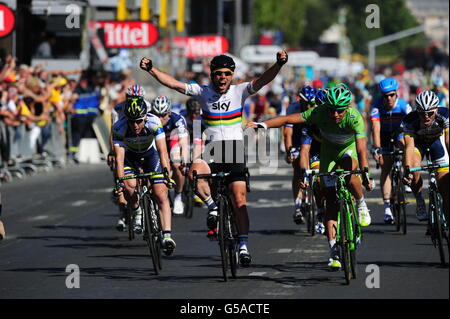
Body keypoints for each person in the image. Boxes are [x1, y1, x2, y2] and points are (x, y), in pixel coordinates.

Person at [139, 51, 289, 267]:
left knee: (239, 200)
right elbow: (174, 84)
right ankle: (213, 207)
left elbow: (264, 80)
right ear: (212, 75)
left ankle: (244, 245)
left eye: (227, 74)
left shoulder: (240, 91)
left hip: (234, 150)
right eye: (218, 74)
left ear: (232, 75)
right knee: (193, 173)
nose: (222, 78)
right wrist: (152, 69)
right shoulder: (202, 92)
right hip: (212, 150)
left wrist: (278, 64)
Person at [247, 85, 373, 270]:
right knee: (329, 202)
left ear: (347, 108)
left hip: (348, 151)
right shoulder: (320, 112)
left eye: (340, 111)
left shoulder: (355, 118)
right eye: (332, 110)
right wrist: (263, 124)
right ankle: (333, 251)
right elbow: (289, 119)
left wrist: (366, 173)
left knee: (351, 171)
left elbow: (362, 149)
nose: (335, 114)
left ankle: (361, 204)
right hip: (328, 154)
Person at [112, 95, 176, 255]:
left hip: (150, 156)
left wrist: (166, 174)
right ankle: (137, 210)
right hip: (130, 158)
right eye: (131, 121)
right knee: (130, 186)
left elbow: (162, 152)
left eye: (139, 121)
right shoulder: (119, 128)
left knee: (161, 193)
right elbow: (119, 160)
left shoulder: (154, 122)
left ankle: (167, 235)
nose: (135, 125)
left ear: (145, 117)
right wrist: (120, 182)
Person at [370, 78, 414, 224]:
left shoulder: (403, 106)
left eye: (391, 95)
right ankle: (387, 207)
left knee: (406, 146)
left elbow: (411, 126)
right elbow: (375, 129)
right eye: (385, 96)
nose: (389, 98)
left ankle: (406, 175)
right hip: (383, 136)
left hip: (399, 133)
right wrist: (377, 148)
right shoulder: (376, 106)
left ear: (396, 94)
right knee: (385, 168)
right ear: (381, 96)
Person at [402, 91, 449, 222]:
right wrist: (407, 169)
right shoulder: (409, 120)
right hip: (418, 145)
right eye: (422, 113)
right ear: (417, 111)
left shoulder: (445, 115)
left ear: (437, 110)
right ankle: (419, 199)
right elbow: (409, 147)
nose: (426, 116)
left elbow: (448, 141)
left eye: (430, 113)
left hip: (436, 144)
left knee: (445, 190)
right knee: (414, 167)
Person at [109, 84, 150, 231]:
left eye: (137, 99)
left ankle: (151, 202)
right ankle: (122, 207)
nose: (133, 102)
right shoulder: (118, 109)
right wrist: (111, 152)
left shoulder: (148, 106)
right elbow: (113, 132)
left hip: (144, 142)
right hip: (124, 141)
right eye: (130, 99)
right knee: (118, 169)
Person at [150, 95, 189, 215]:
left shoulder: (178, 119)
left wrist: (184, 160)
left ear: (169, 112)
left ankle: (178, 196)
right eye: (157, 115)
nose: (160, 119)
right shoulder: (148, 118)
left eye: (163, 115)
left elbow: (183, 142)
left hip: (172, 141)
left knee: (177, 165)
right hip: (156, 143)